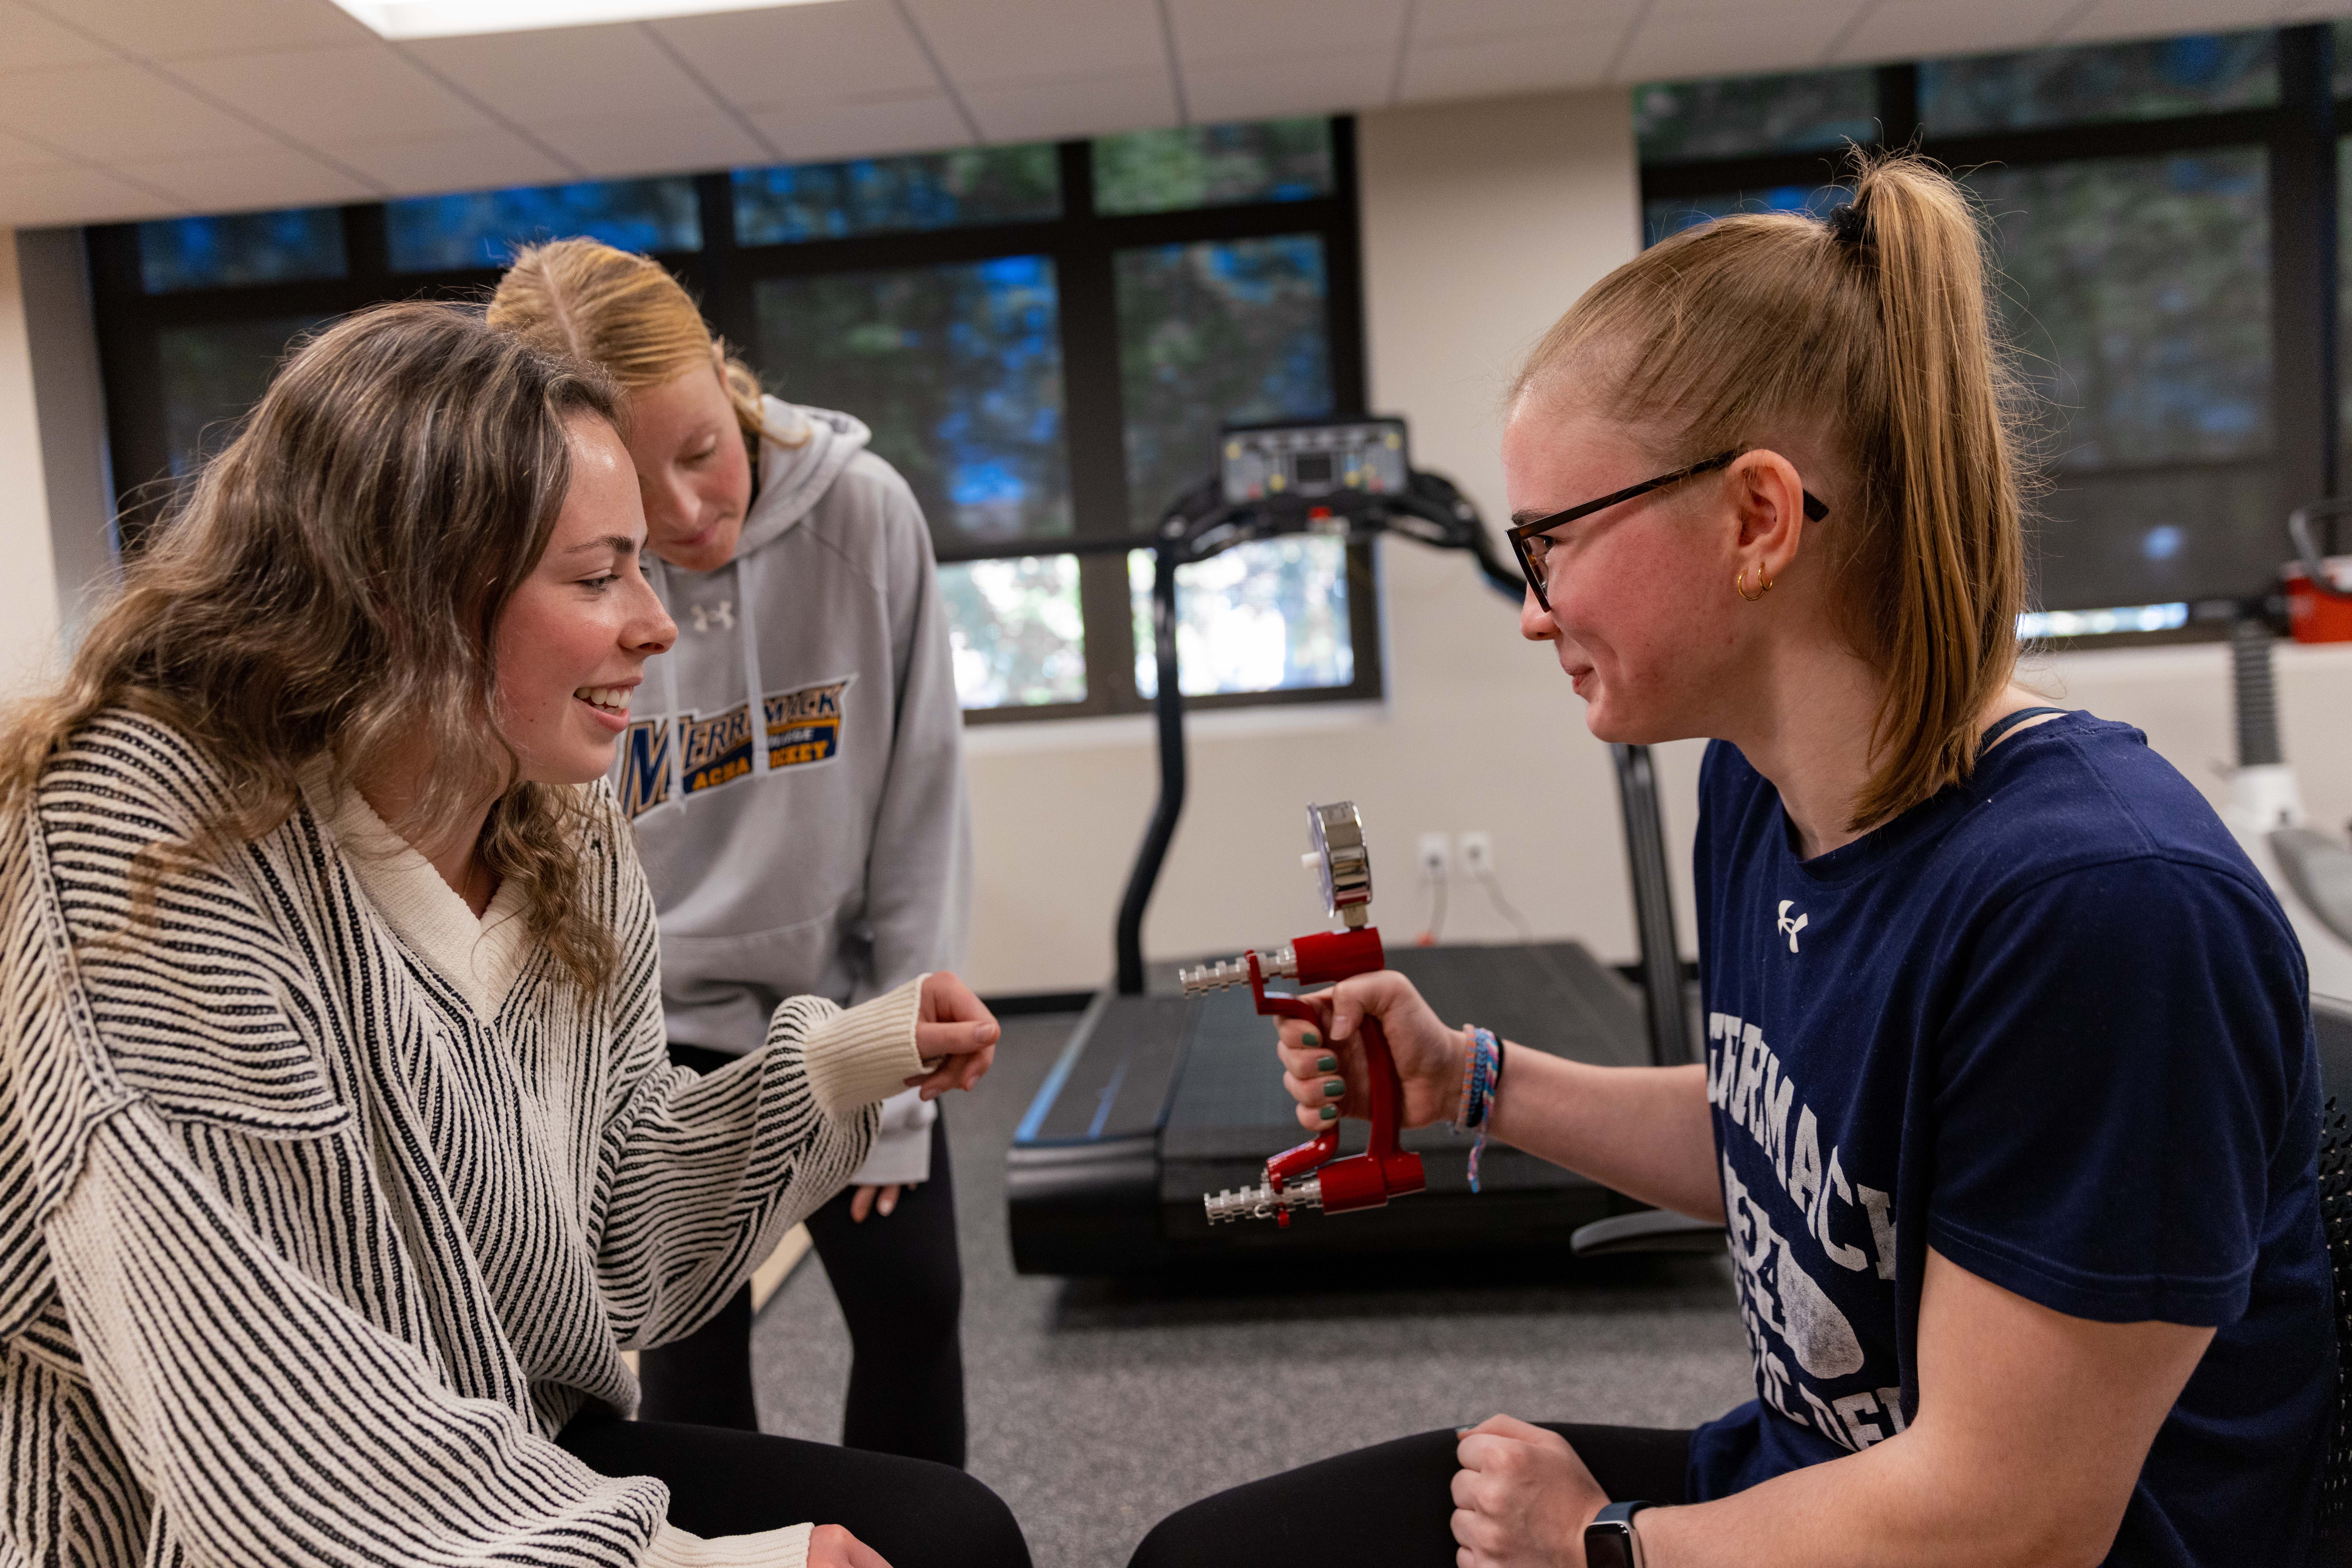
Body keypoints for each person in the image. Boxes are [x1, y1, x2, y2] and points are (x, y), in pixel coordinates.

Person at [1132, 154, 2329, 1567]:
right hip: (1809, 1486)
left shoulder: (2098, 911)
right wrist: (1471, 1080)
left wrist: (1608, 1545)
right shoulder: (1756, 787)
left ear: (1756, 519)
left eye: (1552, 542)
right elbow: (1793, 1146)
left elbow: (2013, 1520)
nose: (1535, 610)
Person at [0, 302, 1028, 1568]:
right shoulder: (145, 823)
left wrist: (835, 1065)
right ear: (406, 593)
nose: (656, 621)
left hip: (493, 1443)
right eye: (598, 576)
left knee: (954, 1535)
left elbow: (614, 1236)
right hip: (240, 1516)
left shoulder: (561, 825)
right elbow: (258, 1420)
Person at [488, 241, 973, 1462]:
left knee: (916, 1297)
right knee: (681, 1340)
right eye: (637, 508)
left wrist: (899, 1068)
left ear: (724, 368)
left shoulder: (865, 516)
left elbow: (922, 801)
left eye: (700, 452)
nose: (688, 513)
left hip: (846, 986)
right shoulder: (553, 577)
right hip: (653, 1015)